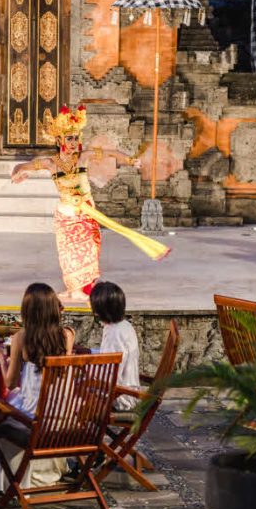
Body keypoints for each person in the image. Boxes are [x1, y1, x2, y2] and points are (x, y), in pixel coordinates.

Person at [10, 104, 169, 301]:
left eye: (76, 138)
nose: (74, 142)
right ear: (59, 140)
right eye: (69, 138)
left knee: (89, 250)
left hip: (86, 213)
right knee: (68, 254)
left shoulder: (83, 157)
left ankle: (82, 288)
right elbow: (22, 165)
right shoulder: (50, 163)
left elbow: (111, 152)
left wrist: (131, 161)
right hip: (66, 216)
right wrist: (16, 173)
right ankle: (73, 289)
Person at [0, 283, 75, 496]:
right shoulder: (67, 335)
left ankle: (5, 482)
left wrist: (1, 358)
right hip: (64, 418)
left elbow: (10, 383)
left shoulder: (22, 337)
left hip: (35, 421)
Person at [90, 281, 140, 411]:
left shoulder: (115, 334)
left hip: (120, 397)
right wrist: (89, 352)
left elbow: (110, 376)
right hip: (126, 391)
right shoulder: (124, 326)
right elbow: (109, 358)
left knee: (73, 381)